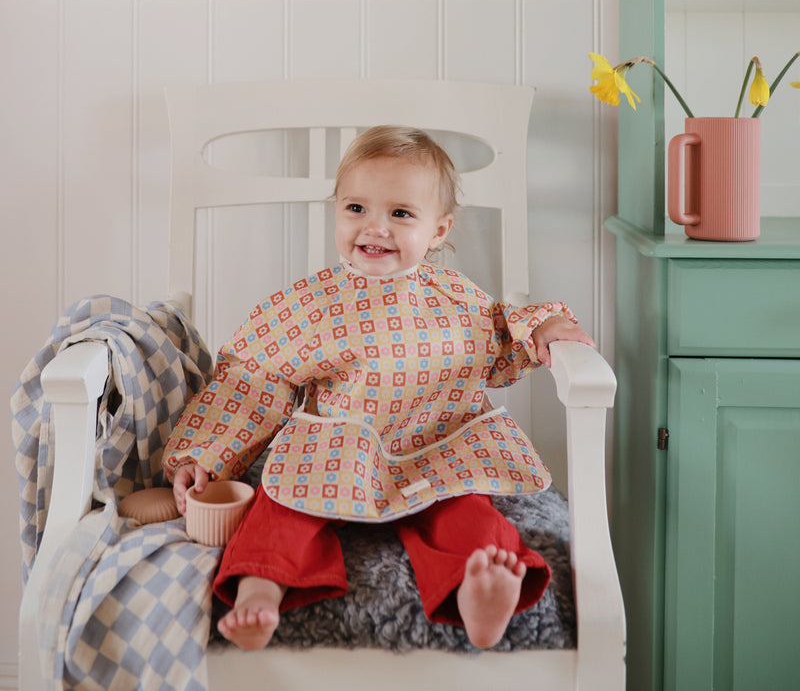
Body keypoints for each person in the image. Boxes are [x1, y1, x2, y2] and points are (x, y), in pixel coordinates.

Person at [163, 125, 596, 651]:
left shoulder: (457, 298)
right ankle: (261, 587)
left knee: (467, 515)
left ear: (438, 230)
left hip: (437, 449)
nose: (375, 227)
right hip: (336, 451)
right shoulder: (313, 304)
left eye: (401, 213)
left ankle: (479, 590)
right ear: (337, 210)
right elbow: (253, 378)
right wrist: (206, 453)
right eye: (356, 208)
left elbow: (503, 338)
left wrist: (541, 327)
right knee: (280, 507)